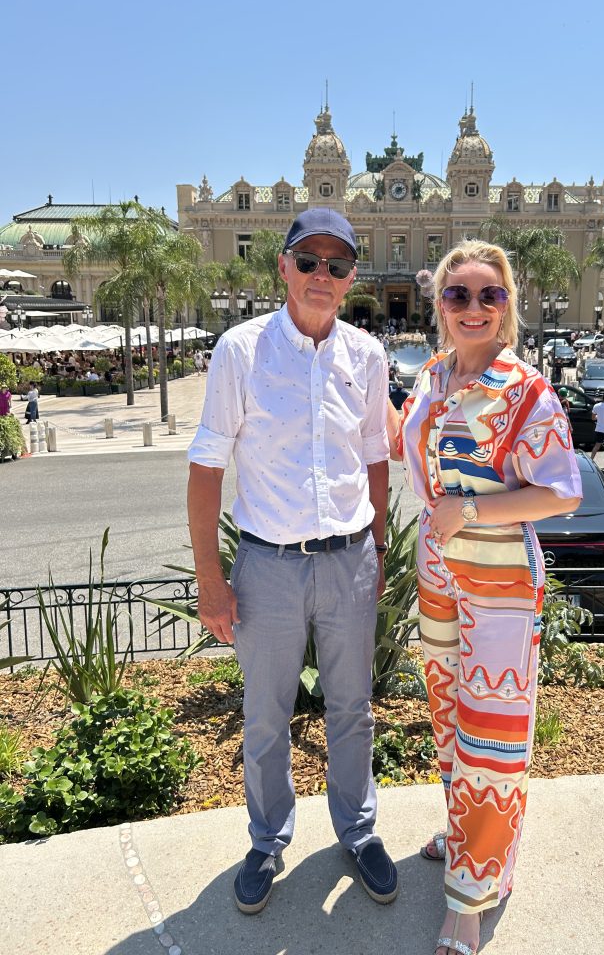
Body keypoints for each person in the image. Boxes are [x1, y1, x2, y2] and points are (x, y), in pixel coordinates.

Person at [187, 208, 397, 915]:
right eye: (309, 261)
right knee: (266, 716)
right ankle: (268, 840)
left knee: (352, 710)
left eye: (337, 266)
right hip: (268, 566)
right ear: (283, 267)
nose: (321, 276)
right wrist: (210, 583)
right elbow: (207, 468)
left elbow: (375, 452)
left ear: (350, 280)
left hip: (348, 562)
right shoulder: (240, 351)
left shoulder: (368, 357)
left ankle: (358, 832)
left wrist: (379, 542)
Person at [386, 239, 581, 955]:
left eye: (487, 295)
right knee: (448, 722)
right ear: (439, 306)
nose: (473, 307)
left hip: (499, 590)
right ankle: (469, 836)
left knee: (492, 740)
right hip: (439, 581)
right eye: (458, 294)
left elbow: (562, 491)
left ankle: (470, 899)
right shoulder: (433, 378)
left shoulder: (526, 390)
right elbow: (412, 449)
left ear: (507, 309)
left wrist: (467, 513)